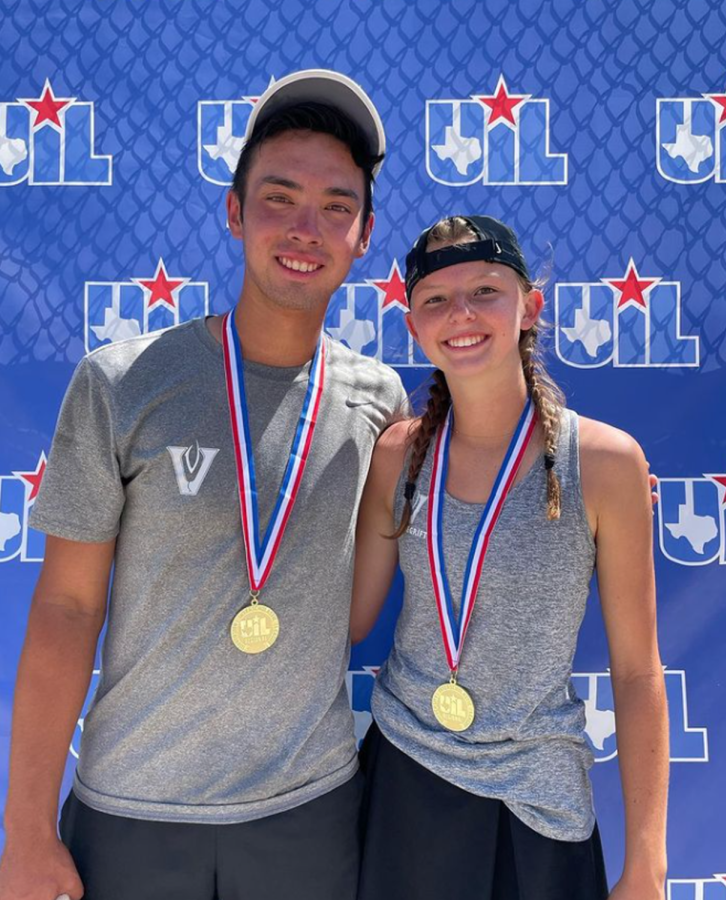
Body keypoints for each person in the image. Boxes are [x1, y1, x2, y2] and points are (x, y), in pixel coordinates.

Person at [0, 70, 407, 900]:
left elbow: (375, 593)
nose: (306, 228)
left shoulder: (379, 401)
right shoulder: (123, 381)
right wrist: (26, 831)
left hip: (308, 811)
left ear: (364, 235)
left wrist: (582, 477)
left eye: (337, 206)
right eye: (279, 197)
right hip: (131, 812)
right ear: (233, 211)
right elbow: (68, 607)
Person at [350, 215, 669, 900]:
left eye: (485, 291)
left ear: (529, 307)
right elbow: (343, 622)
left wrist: (646, 861)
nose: (459, 314)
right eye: (435, 299)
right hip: (403, 783)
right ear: (413, 327)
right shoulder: (396, 456)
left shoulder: (605, 463)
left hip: (539, 806)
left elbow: (637, 670)